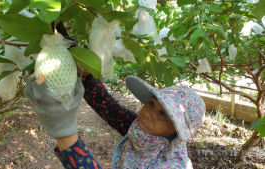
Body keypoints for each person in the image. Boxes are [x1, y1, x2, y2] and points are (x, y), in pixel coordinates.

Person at [25, 22, 206, 169]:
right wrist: (84, 72)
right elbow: (107, 106)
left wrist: (62, 130)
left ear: (178, 133)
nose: (149, 114)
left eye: (163, 115)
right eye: (151, 104)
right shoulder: (142, 131)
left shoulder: (171, 165)